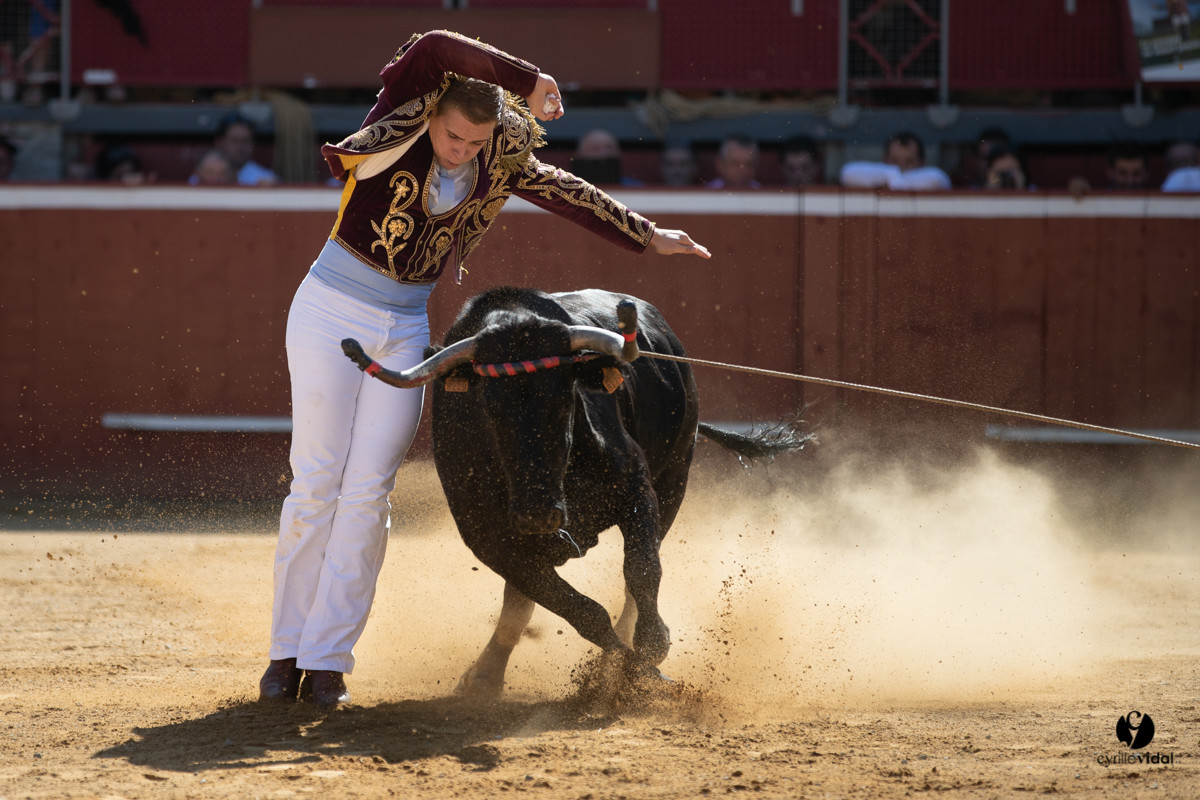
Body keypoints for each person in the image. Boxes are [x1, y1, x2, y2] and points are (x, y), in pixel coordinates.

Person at [259, 29, 710, 709]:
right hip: (329, 311)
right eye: (452, 137)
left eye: (475, 142)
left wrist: (647, 235)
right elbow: (435, 45)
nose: (461, 150)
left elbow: (563, 190)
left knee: (368, 491)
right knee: (317, 481)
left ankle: (326, 661)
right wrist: (530, 79)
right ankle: (284, 651)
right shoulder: (400, 118)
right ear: (432, 113)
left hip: (405, 326)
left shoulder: (497, 156)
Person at [839, 131, 951, 190]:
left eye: (909, 161)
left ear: (922, 163)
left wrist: (893, 181)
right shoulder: (886, 175)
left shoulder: (933, 178)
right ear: (884, 161)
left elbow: (937, 179)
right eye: (894, 161)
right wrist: (890, 176)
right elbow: (847, 173)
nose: (901, 167)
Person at [192, 112, 280, 186]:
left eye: (245, 141)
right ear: (219, 142)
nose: (240, 147)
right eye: (235, 140)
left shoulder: (265, 178)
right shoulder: (200, 176)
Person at [570, 127, 642, 186]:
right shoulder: (567, 190)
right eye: (595, 148)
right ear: (579, 155)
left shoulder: (636, 190)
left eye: (609, 147)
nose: (604, 153)